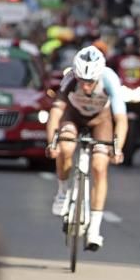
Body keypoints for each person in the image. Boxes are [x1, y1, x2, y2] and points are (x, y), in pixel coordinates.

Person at [45, 46, 128, 251]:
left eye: (90, 81)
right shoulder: (70, 79)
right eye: (82, 80)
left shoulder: (110, 79)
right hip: (73, 116)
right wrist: (51, 143)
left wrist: (118, 149)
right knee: (65, 147)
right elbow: (55, 114)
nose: (86, 85)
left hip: (101, 120)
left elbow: (121, 120)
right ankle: (63, 192)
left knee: (100, 167)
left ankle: (94, 229)